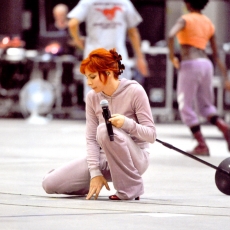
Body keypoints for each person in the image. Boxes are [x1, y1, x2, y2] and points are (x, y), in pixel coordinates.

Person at [42, 48, 156, 200]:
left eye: (92, 77)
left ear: (108, 73)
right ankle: (86, 183)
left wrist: (127, 123)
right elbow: (90, 138)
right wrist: (95, 172)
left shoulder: (135, 91)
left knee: (104, 129)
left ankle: (130, 189)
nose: (88, 83)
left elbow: (151, 135)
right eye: (86, 77)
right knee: (50, 184)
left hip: (135, 159)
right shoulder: (92, 97)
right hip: (104, 158)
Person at [168, 0, 230, 156]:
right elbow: (215, 54)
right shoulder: (208, 22)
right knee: (206, 106)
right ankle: (224, 127)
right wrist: (225, 77)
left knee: (185, 106)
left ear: (188, 4)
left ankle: (202, 144)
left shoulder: (185, 19)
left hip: (190, 64)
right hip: (206, 64)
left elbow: (170, 35)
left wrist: (172, 57)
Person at [67, 0, 149, 100]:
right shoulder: (124, 2)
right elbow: (133, 32)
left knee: (95, 104)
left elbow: (72, 24)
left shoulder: (88, 2)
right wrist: (140, 58)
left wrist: (78, 41)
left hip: (94, 60)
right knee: (120, 102)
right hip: (117, 59)